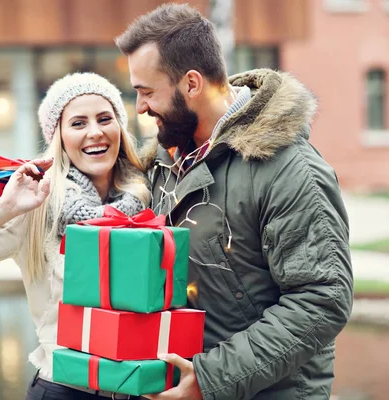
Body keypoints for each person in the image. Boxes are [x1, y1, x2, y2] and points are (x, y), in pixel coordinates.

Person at [115, 4, 353, 400]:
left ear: (191, 84)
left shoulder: (291, 169)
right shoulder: (167, 156)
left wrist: (208, 381)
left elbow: (322, 300)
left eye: (146, 92)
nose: (139, 107)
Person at [0, 72, 150, 400]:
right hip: (64, 390)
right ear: (60, 137)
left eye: (105, 119)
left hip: (143, 389)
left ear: (120, 129)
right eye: (78, 123)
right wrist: (1, 211)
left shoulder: (149, 197)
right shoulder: (37, 207)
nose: (95, 132)